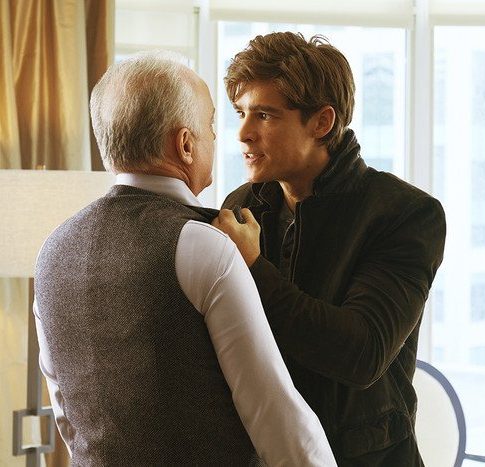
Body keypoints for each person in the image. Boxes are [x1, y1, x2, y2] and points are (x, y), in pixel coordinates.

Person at [33, 51, 336, 466]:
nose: (221, 137)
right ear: (186, 145)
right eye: (210, 125)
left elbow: (67, 415)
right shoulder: (203, 245)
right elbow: (273, 413)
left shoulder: (51, 251)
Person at [213, 32, 446, 466]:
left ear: (321, 122)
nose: (243, 133)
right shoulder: (240, 206)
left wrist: (253, 267)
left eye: (264, 115)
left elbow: (361, 353)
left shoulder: (406, 213)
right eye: (241, 113)